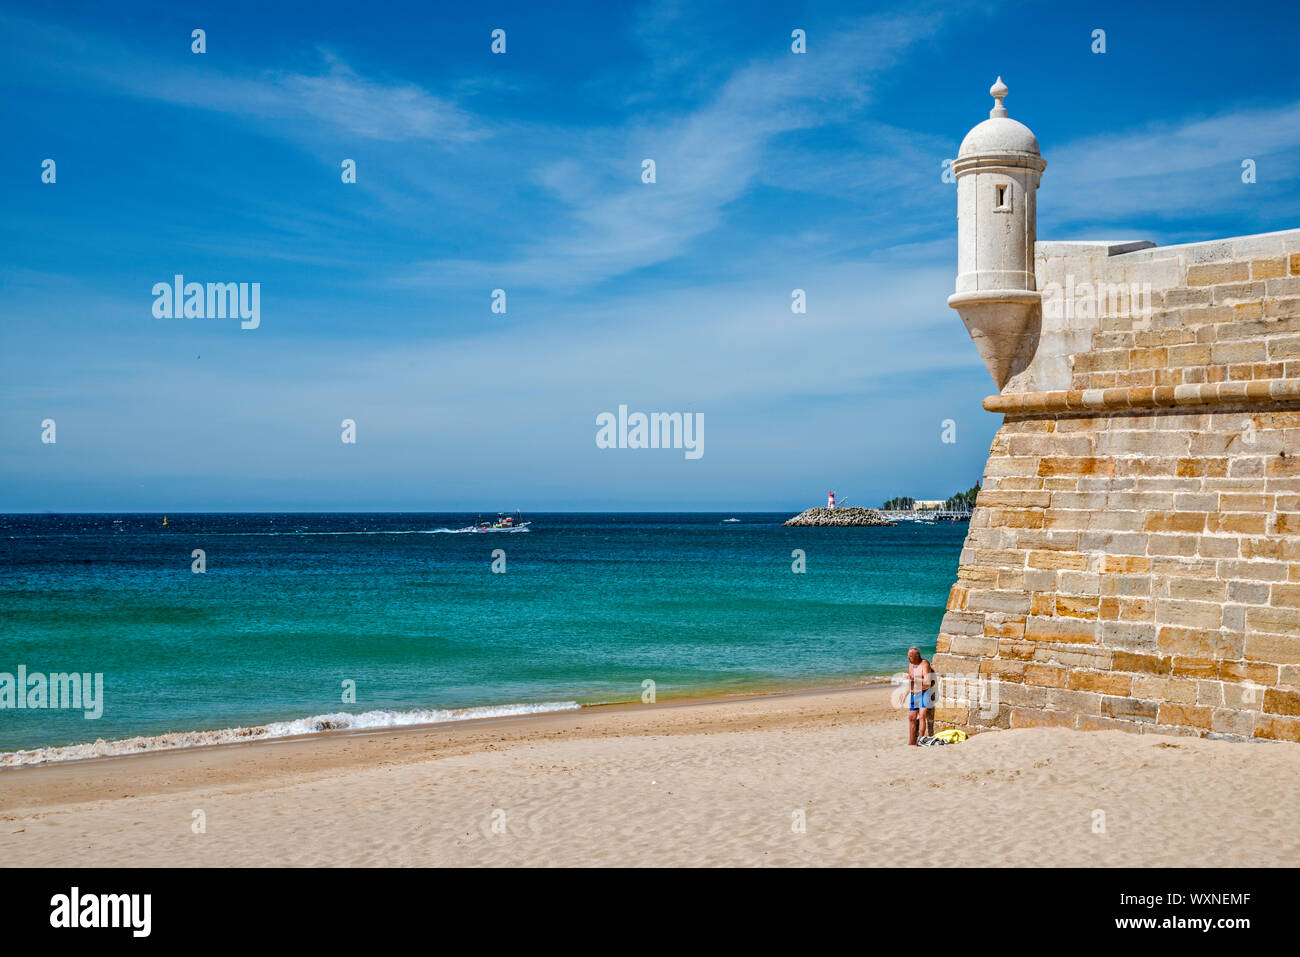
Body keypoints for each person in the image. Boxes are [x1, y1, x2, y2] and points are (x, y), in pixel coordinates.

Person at [906, 647, 934, 746]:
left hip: (924, 692)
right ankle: (911, 742)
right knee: (911, 717)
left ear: (917, 655)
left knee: (922, 717)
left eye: (910, 656)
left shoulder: (924, 664)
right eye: (908, 655)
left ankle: (920, 741)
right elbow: (911, 681)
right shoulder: (910, 665)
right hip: (914, 694)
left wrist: (915, 678)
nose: (908, 657)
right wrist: (905, 694)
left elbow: (928, 683)